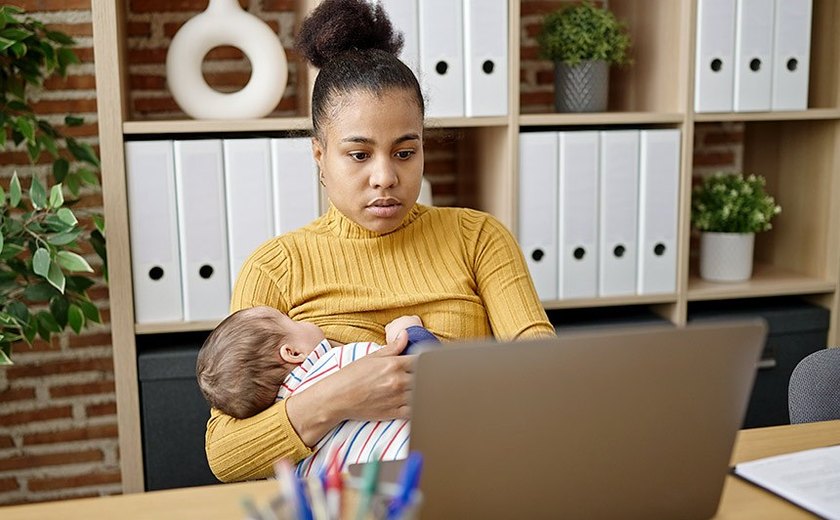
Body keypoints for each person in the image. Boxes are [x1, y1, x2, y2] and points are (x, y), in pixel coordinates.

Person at [205, 0, 555, 482]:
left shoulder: (479, 238)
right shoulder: (275, 267)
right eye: (359, 154)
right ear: (319, 154)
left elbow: (549, 374)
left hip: (471, 484)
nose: (385, 177)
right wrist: (342, 394)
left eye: (405, 152)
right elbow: (226, 455)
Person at [196, 307, 436, 475]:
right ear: (292, 352)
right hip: (422, 466)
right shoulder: (339, 361)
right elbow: (428, 372)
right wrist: (409, 333)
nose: (304, 321)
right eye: (291, 319)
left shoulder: (284, 460)